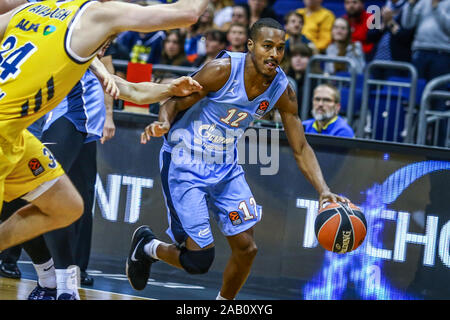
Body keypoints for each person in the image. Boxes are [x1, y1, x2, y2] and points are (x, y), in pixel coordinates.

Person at [129, 18, 349, 300]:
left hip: (225, 166)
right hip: (185, 162)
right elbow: (173, 101)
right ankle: (147, 246)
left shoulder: (282, 88)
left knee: (247, 248)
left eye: (280, 48)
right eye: (267, 46)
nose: (274, 55)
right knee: (198, 261)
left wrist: (324, 190)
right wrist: (162, 123)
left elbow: (301, 147)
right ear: (250, 46)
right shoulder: (222, 70)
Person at [0, 0, 209, 254]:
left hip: (13, 135)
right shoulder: (95, 14)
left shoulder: (33, 10)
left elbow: (129, 89)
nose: (107, 48)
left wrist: (168, 89)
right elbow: (188, 12)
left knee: (67, 206)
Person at [402, 0, 450, 146]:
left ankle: (437, 145)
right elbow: (407, 24)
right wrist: (410, 6)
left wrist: (436, 9)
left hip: (442, 54)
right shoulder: (421, 2)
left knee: (438, 101)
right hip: (419, 53)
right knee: (416, 101)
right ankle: (413, 142)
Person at [367, 0, 415, 79]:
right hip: (376, 62)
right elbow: (370, 36)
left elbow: (407, 37)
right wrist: (384, 23)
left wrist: (390, 21)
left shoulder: (409, 9)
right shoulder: (381, 9)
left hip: (396, 63)